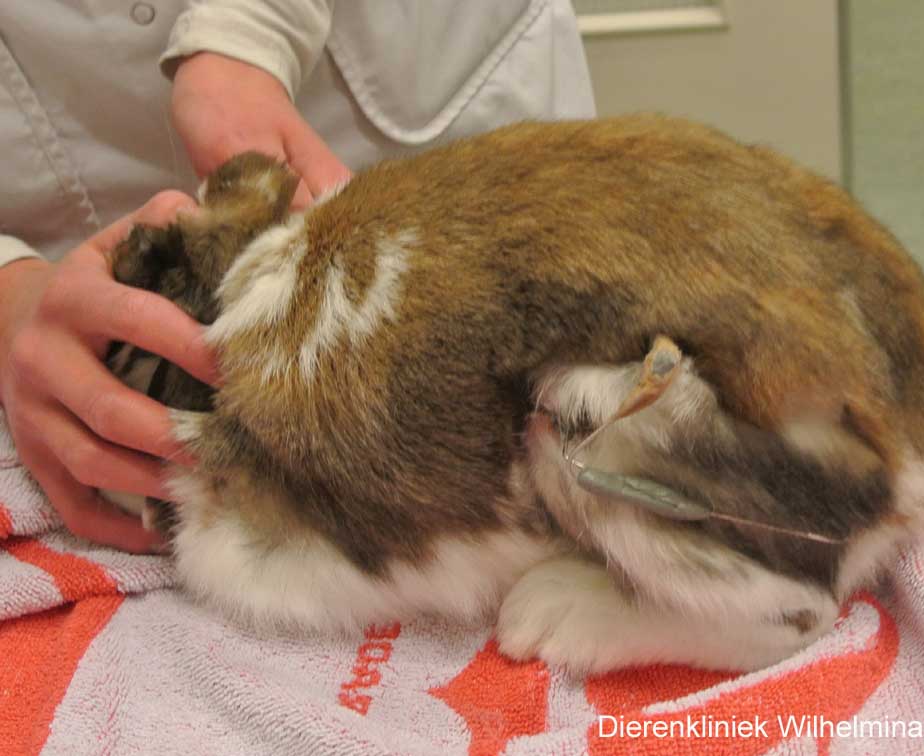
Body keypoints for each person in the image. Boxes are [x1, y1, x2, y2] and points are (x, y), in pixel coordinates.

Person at [0, 0, 595, 553]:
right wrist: (11, 294)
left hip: (430, 130)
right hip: (58, 302)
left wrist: (248, 30)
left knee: (575, 441)